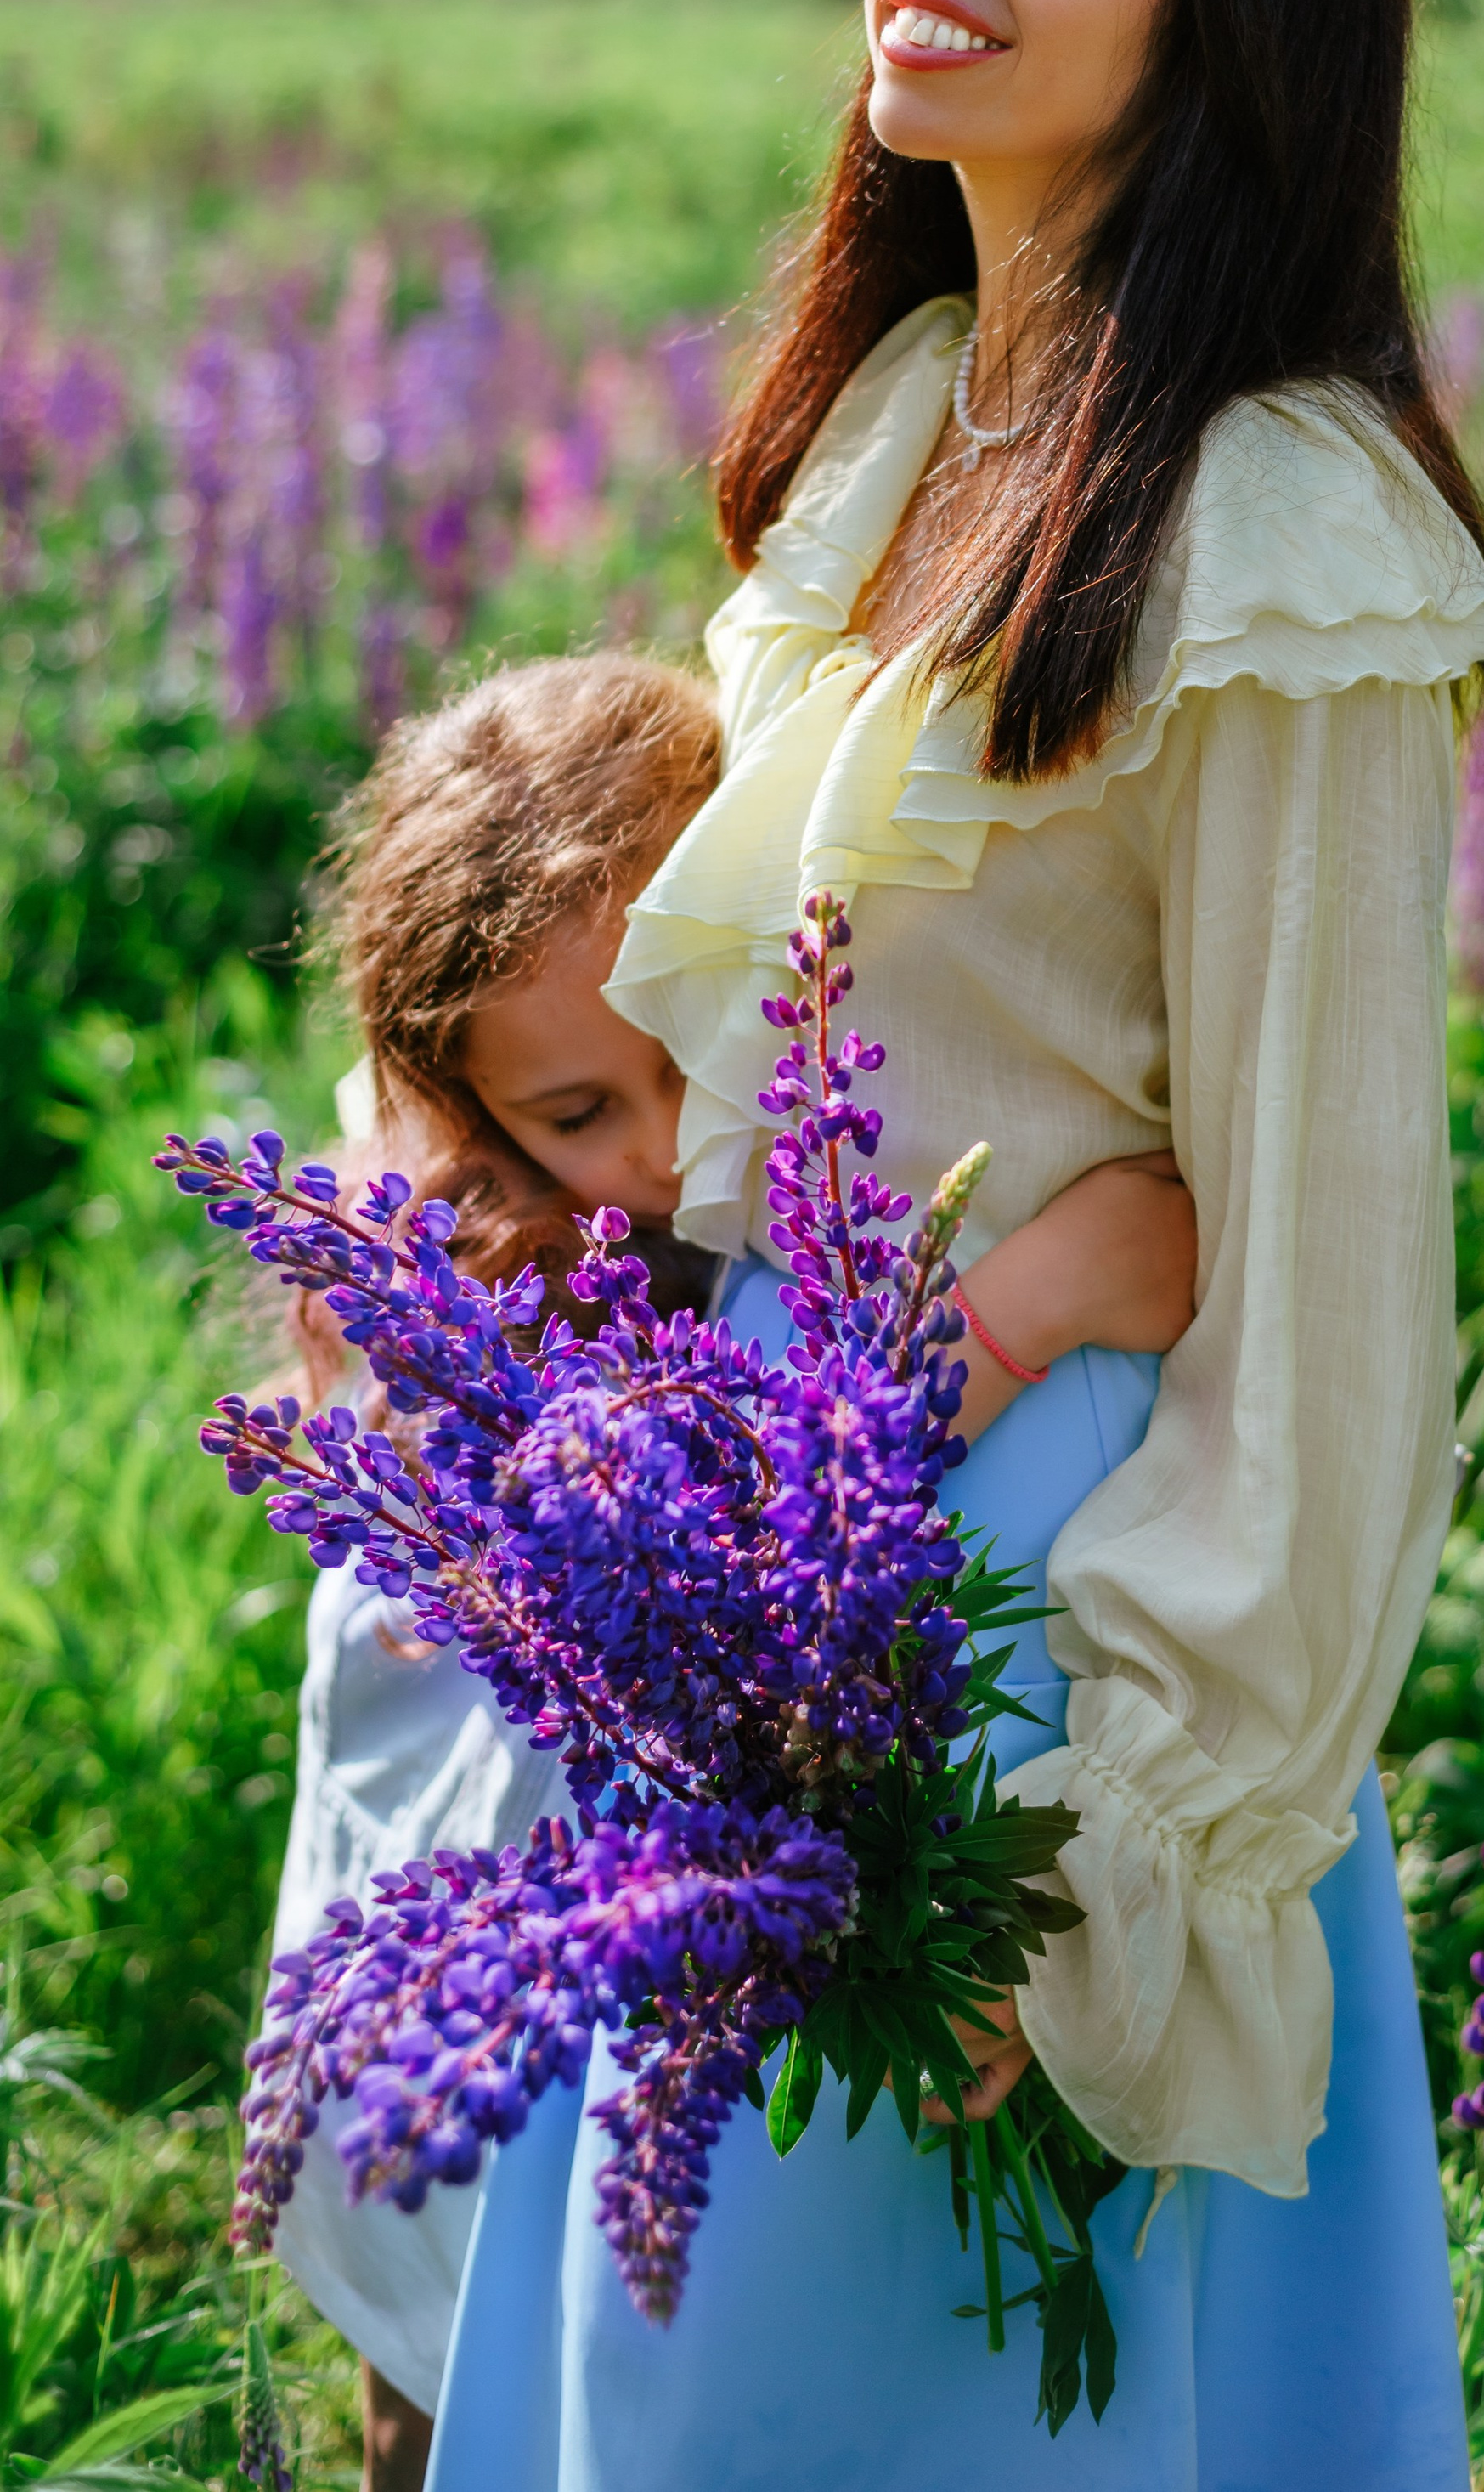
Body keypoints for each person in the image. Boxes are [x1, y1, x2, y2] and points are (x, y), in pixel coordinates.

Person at [424, 0, 1484, 2492]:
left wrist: (1103, 1874)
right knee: (691, 2366)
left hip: (1039, 1642)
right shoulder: (908, 406)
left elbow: (1324, 1280)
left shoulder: (1284, 519)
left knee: (911, 2404)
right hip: (759, 1548)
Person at [265, 654, 1196, 2490]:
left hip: (618, 1986)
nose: (671, 1147)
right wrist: (1041, 1292)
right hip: (470, 1989)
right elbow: (784, 1528)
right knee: (456, 2387)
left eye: (686, 1052)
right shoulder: (495, 1282)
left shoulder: (799, 1161)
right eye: (574, 1112)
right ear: (460, 1108)